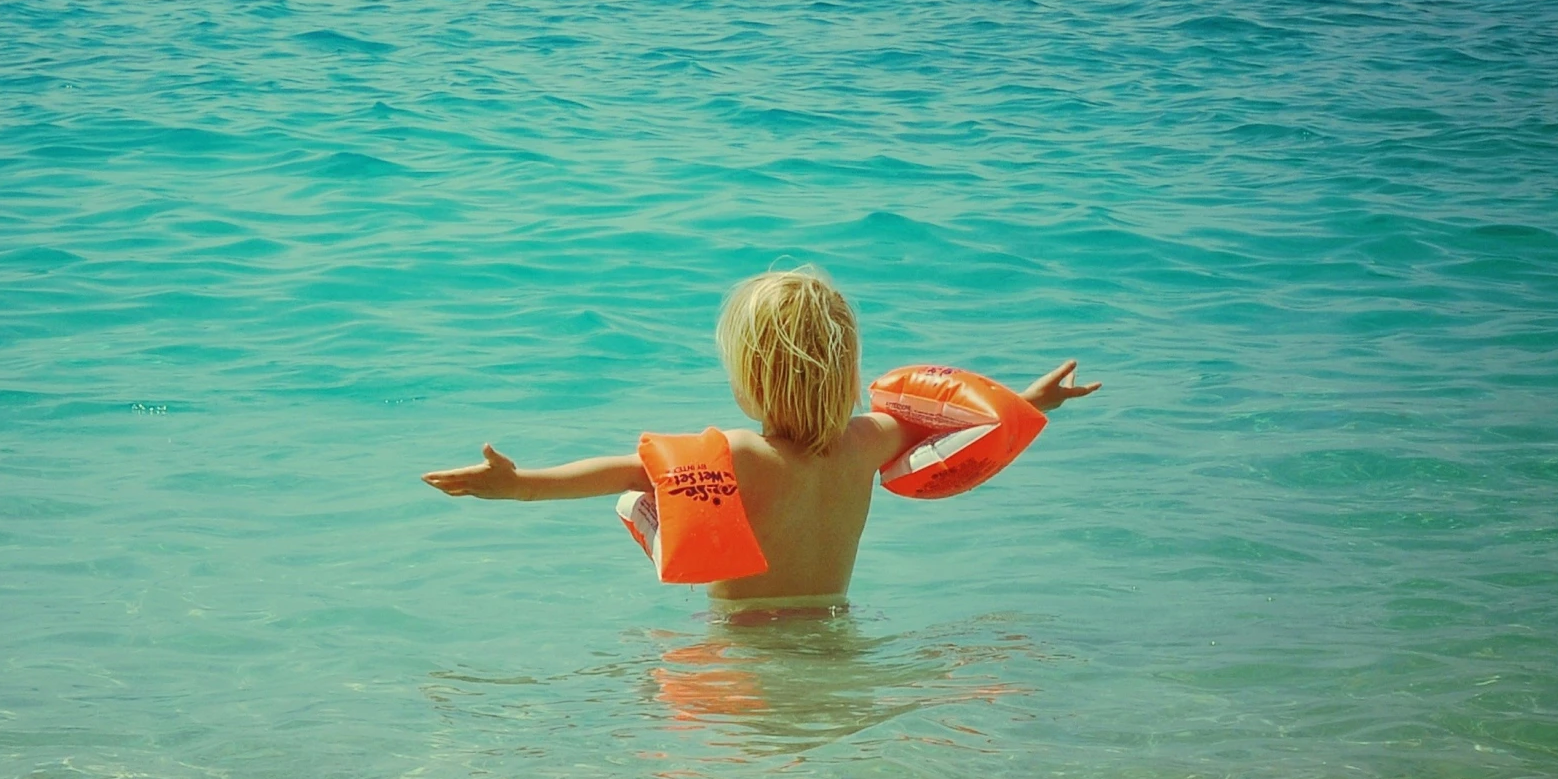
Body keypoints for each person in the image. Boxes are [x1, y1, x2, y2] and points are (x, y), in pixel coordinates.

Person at [420, 267, 1098, 609]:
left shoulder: (742, 456)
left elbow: (624, 474)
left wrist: (517, 487)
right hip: (835, 637)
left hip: (744, 651)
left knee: (639, 506)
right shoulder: (871, 439)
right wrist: (1031, 401)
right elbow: (972, 419)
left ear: (749, 381)